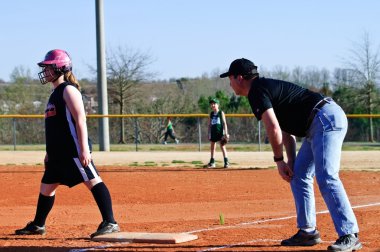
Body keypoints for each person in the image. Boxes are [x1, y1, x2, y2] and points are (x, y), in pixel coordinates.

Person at [220, 58, 362, 251]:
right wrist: (291, 162)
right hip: (318, 123)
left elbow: (273, 129)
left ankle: (349, 234)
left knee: (327, 176)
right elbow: (286, 131)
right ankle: (308, 232)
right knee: (299, 175)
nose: (229, 84)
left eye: (230, 78)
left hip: (324, 119)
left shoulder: (257, 91)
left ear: (239, 77)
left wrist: (278, 161)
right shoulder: (264, 89)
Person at [15, 49, 120, 239]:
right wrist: (48, 153)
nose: (45, 71)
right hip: (57, 154)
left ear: (60, 68)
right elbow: (55, 127)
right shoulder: (54, 93)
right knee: (47, 187)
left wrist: (84, 149)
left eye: (48, 67)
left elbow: (81, 120)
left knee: (93, 181)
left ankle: (110, 222)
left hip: (73, 150)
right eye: (45, 68)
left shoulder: (68, 90)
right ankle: (38, 225)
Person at [207, 98, 230, 168]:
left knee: (222, 146)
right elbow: (209, 124)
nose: (213, 105)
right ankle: (212, 162)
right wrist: (208, 133)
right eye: (212, 104)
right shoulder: (211, 114)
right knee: (212, 147)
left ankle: (226, 162)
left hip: (220, 132)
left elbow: (224, 123)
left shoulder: (221, 113)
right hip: (213, 132)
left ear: (218, 105)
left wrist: (226, 133)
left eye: (214, 104)